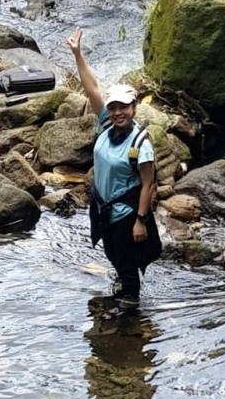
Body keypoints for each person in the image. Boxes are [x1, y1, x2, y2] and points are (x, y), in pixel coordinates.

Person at [67, 27, 162, 318]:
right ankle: (124, 288)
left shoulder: (140, 144)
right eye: (114, 107)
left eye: (124, 107)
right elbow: (92, 87)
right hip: (103, 206)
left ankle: (129, 305)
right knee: (111, 252)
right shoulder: (106, 125)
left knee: (124, 259)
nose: (118, 112)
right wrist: (77, 54)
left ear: (134, 109)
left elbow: (148, 185)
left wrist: (140, 222)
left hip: (126, 211)